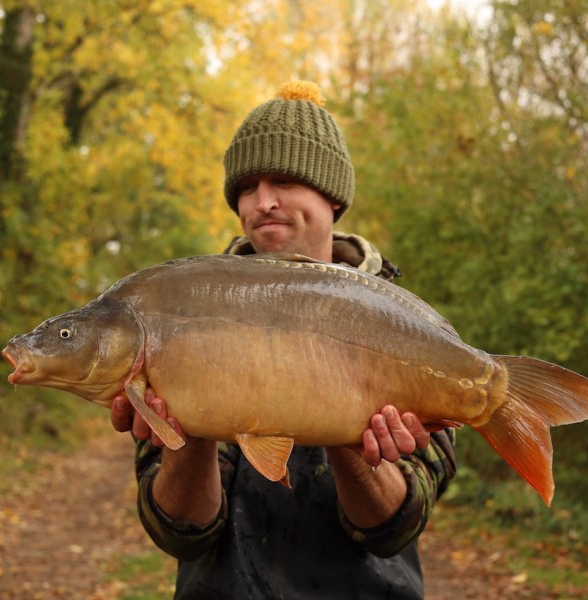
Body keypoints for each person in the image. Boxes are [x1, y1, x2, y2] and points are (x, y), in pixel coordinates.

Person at [110, 81, 456, 599]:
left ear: (332, 195)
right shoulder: (175, 315)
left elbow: (393, 531)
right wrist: (190, 427)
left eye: (285, 181)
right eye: (247, 187)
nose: (263, 201)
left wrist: (348, 435)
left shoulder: (411, 329)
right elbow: (180, 534)